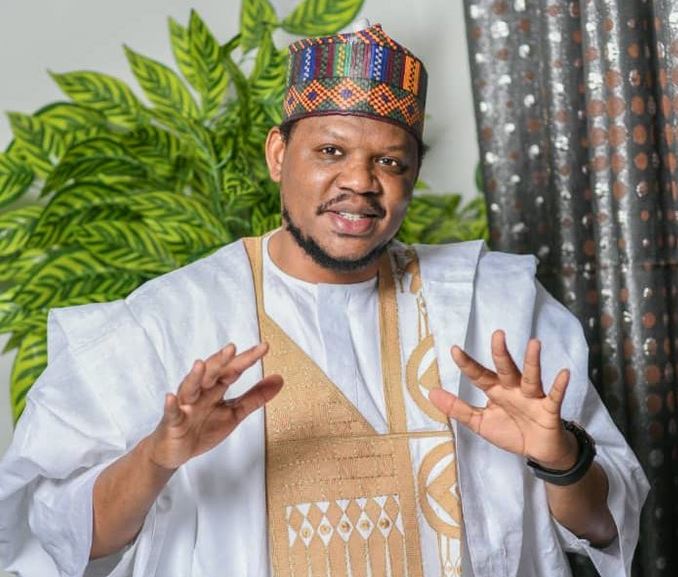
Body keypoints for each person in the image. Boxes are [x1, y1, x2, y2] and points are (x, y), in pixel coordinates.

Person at [0, 22, 648, 577]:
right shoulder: (168, 321)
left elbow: (606, 525)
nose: (359, 182)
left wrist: (561, 459)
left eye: (390, 162)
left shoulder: (497, 306)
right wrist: (157, 457)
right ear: (278, 154)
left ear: (413, 176)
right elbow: (58, 534)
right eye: (331, 151)